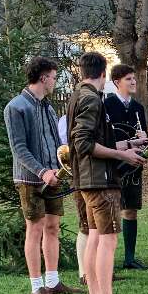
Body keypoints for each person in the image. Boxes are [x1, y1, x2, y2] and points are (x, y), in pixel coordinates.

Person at [67, 51, 145, 294]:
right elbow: (83, 143)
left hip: (87, 180)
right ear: (104, 74)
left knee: (94, 237)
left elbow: (96, 140)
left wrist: (130, 145)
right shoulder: (92, 100)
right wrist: (122, 155)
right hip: (101, 181)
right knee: (108, 240)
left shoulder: (79, 95)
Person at [4, 56, 81, 294]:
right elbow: (18, 148)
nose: (55, 82)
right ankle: (36, 287)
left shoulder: (47, 107)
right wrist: (41, 172)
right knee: (34, 229)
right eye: (54, 77)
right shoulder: (16, 107)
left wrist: (62, 166)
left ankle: (53, 282)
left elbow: (56, 143)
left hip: (53, 176)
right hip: (30, 179)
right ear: (43, 77)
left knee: (52, 228)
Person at [103, 64, 148, 270]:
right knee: (110, 211)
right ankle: (106, 259)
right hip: (113, 164)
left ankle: (129, 258)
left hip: (133, 166)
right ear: (116, 83)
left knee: (131, 210)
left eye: (134, 79)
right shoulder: (107, 105)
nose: (133, 82)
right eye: (128, 79)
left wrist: (145, 138)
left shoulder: (138, 108)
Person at [58, 113, 89, 284]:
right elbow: (67, 148)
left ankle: (98, 269)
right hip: (80, 173)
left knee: (98, 227)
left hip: (95, 173)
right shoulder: (66, 120)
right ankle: (83, 272)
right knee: (85, 225)